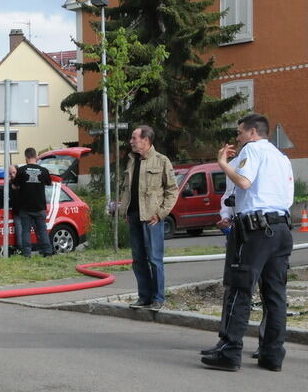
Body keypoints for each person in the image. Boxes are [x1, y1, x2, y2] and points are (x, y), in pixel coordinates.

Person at [201, 113, 294, 372]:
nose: (238, 137)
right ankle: (272, 354)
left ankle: (229, 350)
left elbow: (242, 181)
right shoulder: (282, 158)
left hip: (255, 230)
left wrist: (223, 163)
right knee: (275, 293)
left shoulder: (251, 150)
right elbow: (287, 198)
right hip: (281, 228)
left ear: (253, 133)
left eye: (240, 132)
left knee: (239, 288)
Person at [119, 125, 178, 310]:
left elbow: (172, 191)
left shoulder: (161, 161)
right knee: (138, 259)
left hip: (152, 218)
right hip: (134, 216)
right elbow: (126, 189)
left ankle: (158, 298)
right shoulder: (131, 161)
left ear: (146, 140)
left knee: (154, 258)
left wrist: (161, 214)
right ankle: (143, 297)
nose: (131, 141)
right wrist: (125, 210)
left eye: (134, 138)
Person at [12, 147, 53, 257]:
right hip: (40, 207)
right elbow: (49, 183)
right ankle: (47, 252)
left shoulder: (21, 170)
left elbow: (14, 185)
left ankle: (27, 254)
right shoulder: (44, 170)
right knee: (42, 230)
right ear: (36, 157)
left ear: (26, 157)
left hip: (25, 208)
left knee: (26, 231)